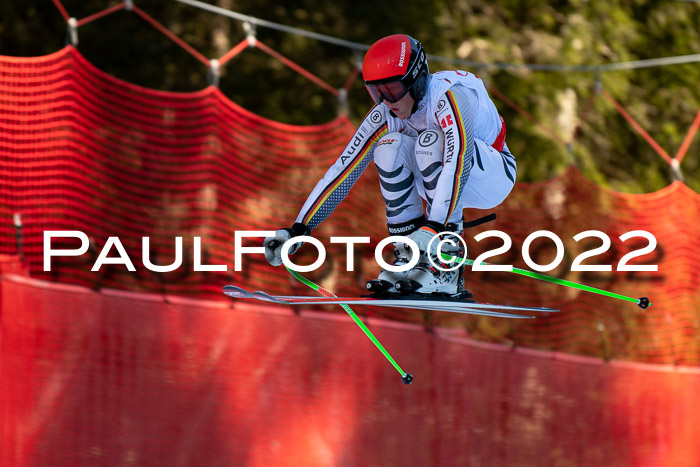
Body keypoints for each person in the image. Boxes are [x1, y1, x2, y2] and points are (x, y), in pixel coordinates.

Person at [264, 34, 516, 295]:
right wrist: (298, 230)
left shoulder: (448, 95)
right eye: (376, 92)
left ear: (416, 82)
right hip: (444, 182)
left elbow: (458, 159)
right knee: (388, 147)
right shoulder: (386, 113)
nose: (386, 101)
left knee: (430, 141)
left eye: (392, 90)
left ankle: (447, 263)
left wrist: (435, 228)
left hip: (492, 176)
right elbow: (343, 170)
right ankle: (408, 255)